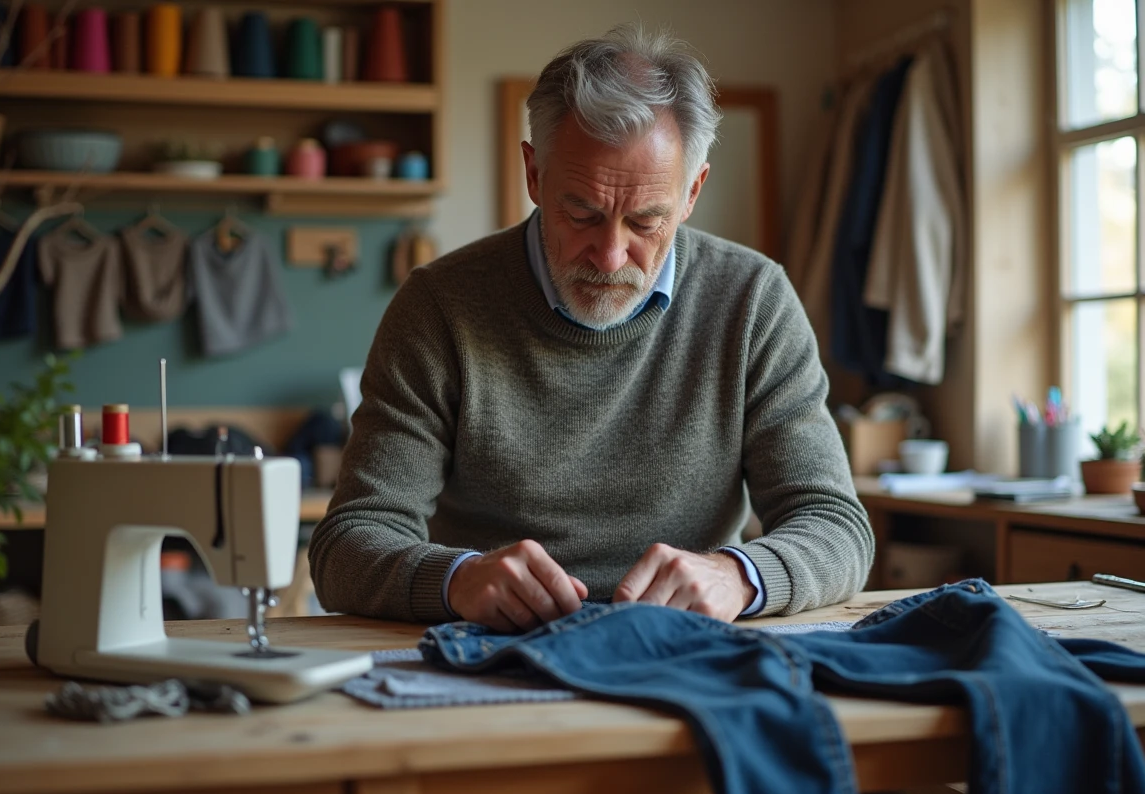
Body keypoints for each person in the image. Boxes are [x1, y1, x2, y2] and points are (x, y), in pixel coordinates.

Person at [310, 24, 873, 631]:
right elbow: (346, 545)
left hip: (686, 651)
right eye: (582, 213)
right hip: (492, 655)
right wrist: (457, 579)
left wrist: (738, 575)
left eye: (646, 220)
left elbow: (835, 526)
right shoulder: (438, 308)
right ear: (534, 174)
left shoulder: (754, 301)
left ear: (692, 192)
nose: (609, 256)